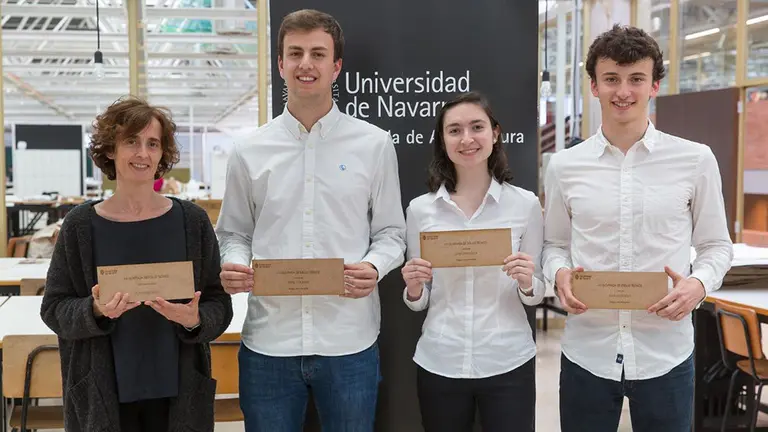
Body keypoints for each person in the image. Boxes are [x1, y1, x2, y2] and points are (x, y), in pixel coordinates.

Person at [215, 9, 406, 432]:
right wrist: (235, 262)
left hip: (349, 340)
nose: (306, 64)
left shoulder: (374, 145)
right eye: (295, 53)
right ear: (280, 64)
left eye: (318, 54)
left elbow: (392, 233)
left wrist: (374, 266)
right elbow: (233, 232)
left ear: (336, 67)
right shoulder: (249, 150)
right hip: (269, 342)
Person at [543, 25, 733, 432]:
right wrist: (558, 272)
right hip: (588, 351)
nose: (623, 91)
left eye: (636, 79)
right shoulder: (564, 166)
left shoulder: (695, 160)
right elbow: (554, 244)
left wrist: (698, 284)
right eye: (611, 78)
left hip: (665, 352)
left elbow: (717, 245)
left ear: (654, 86)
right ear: (594, 86)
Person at [40, 97, 234, 432]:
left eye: (152, 143)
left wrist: (195, 319)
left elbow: (219, 303)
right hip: (103, 397)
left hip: (178, 395)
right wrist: (95, 310)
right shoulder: (79, 226)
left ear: (162, 154)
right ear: (110, 149)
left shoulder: (192, 221)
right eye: (131, 141)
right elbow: (54, 309)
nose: (142, 153)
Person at [402, 91, 543, 432]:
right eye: (454, 130)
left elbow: (537, 293)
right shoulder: (420, 210)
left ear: (495, 133)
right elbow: (418, 302)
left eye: (477, 127)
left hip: (508, 359)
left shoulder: (525, 205)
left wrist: (527, 282)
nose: (467, 139)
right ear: (443, 140)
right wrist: (413, 288)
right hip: (441, 358)